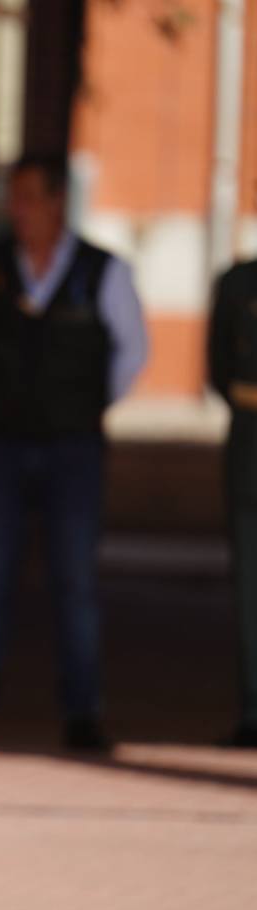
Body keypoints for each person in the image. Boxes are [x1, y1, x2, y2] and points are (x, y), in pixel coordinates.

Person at [0, 153, 148, 751]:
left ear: (58, 202)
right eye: (15, 197)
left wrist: (83, 408)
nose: (20, 210)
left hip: (73, 448)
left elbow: (133, 354)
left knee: (76, 581)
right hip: (3, 443)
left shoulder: (103, 270)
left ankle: (83, 715)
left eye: (31, 197)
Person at [208, 259, 257, 748]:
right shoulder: (239, 282)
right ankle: (253, 708)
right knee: (250, 587)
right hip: (251, 447)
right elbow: (219, 367)